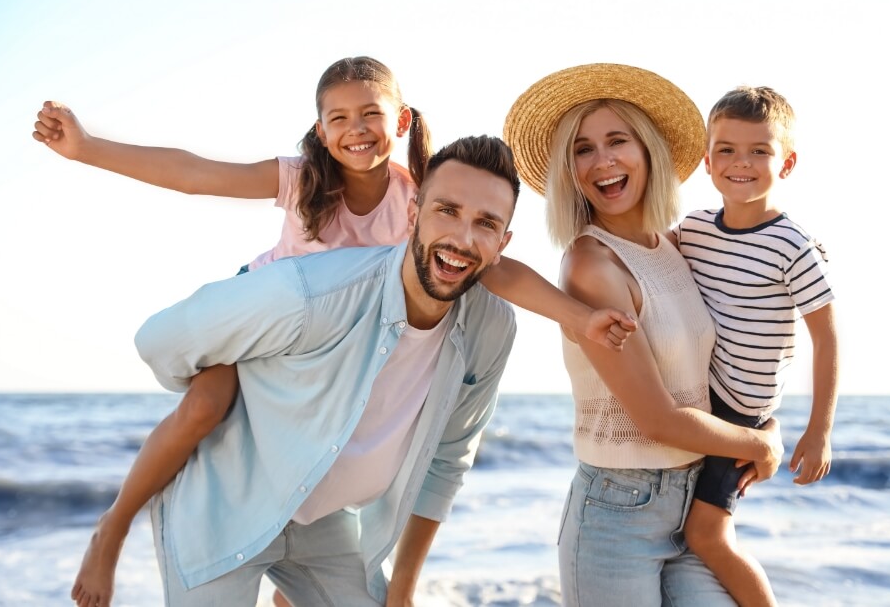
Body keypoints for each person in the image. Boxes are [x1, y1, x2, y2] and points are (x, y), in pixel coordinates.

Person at [33, 56, 634, 607]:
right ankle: (113, 527)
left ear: (399, 120)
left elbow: (497, 272)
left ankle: (300, 570)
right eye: (338, 118)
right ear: (320, 130)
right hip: (266, 318)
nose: (356, 129)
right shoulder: (303, 180)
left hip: (343, 349)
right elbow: (197, 175)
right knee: (202, 409)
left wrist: (578, 319)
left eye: (371, 113)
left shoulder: (416, 195)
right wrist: (87, 148)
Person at [131, 134, 521, 605]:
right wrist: (221, 395)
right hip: (222, 505)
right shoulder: (311, 294)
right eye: (448, 210)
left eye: (485, 223)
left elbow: (446, 460)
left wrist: (401, 593)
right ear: (413, 212)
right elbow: (160, 341)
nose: (462, 238)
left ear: (503, 243)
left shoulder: (491, 328)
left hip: (324, 522)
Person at [502, 63, 786, 606]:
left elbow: (736, 352)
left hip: (691, 507)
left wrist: (766, 419)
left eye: (616, 141)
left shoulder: (676, 247)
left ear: (648, 149)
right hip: (616, 519)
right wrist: (759, 444)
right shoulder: (592, 265)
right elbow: (655, 418)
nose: (603, 161)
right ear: (570, 170)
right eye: (583, 150)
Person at [673, 86, 839, 607]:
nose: (740, 163)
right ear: (706, 160)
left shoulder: (793, 246)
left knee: (707, 534)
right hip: (696, 396)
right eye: (726, 149)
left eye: (759, 151)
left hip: (742, 411)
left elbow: (827, 338)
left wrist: (819, 431)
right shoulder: (695, 229)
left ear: (786, 163)